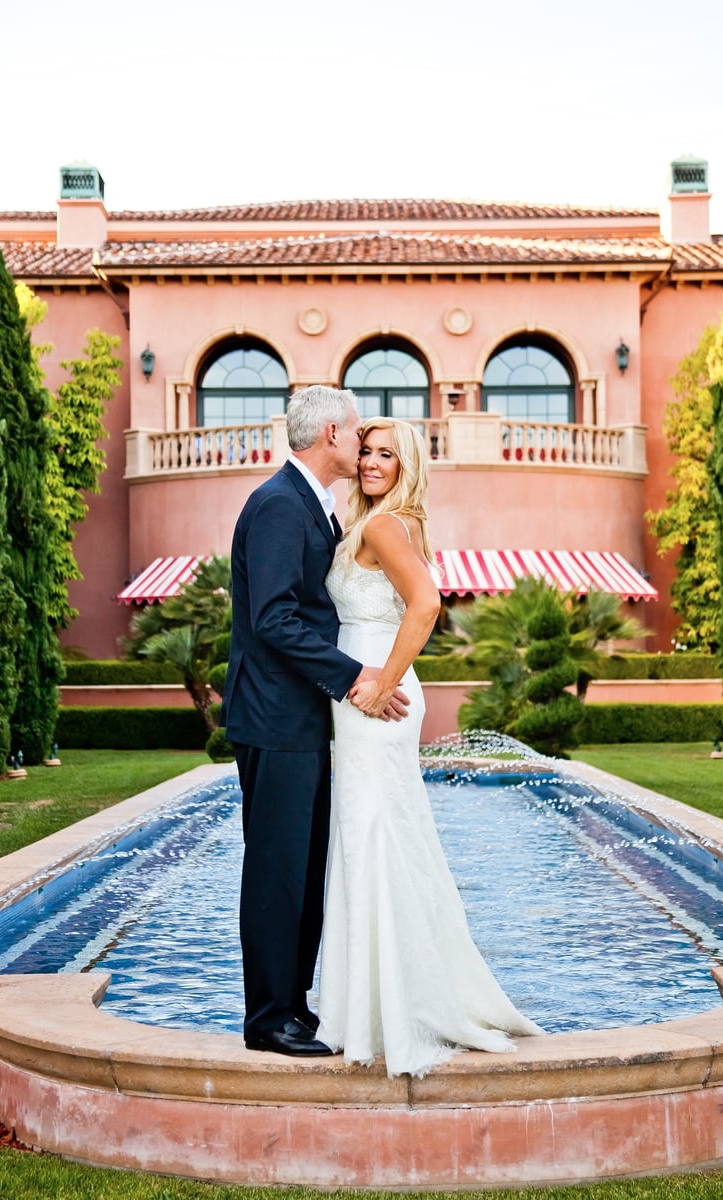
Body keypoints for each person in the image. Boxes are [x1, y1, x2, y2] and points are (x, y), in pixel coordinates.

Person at [316, 417, 543, 1077]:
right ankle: (378, 1004)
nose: (370, 462)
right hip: (364, 689)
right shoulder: (389, 522)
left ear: (407, 464)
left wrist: (381, 682)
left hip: (373, 695)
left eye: (386, 454)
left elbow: (426, 605)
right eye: (365, 451)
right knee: (377, 836)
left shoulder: (386, 526)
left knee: (371, 837)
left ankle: (379, 1013)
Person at [220, 386, 407, 1057]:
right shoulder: (279, 504)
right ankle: (269, 1018)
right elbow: (273, 619)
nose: (361, 446)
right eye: (356, 434)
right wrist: (354, 675)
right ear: (331, 433)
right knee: (277, 869)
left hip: (302, 717)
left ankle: (293, 1005)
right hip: (274, 716)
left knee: (302, 866)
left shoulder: (314, 505)